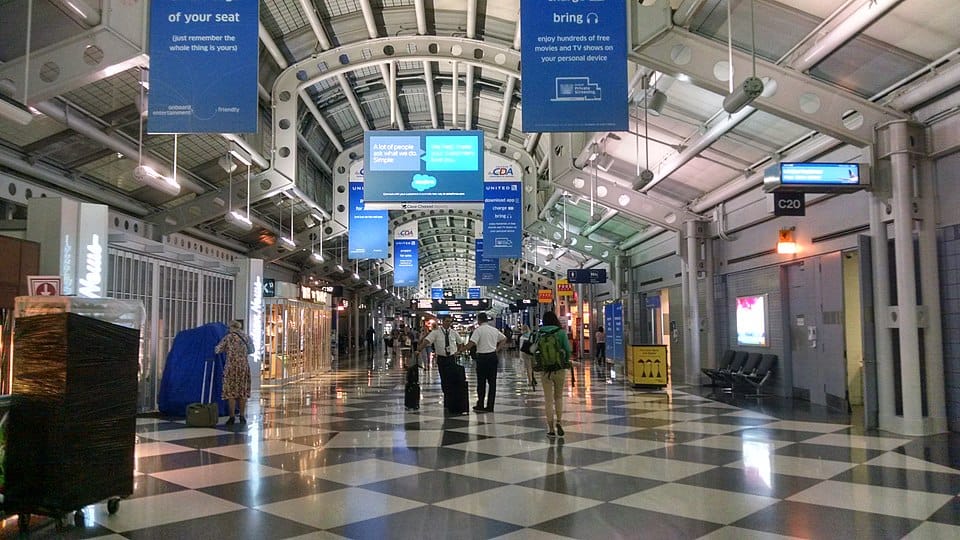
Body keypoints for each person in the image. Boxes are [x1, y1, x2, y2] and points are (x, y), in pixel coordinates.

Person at [538, 311, 572, 438]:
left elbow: (533, 350)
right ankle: (559, 422)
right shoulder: (561, 332)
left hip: (545, 370)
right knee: (558, 397)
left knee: (548, 399)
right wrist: (565, 360)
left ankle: (551, 428)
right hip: (559, 368)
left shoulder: (539, 333)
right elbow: (568, 350)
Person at [464, 312, 506, 413]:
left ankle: (480, 404)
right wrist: (497, 349)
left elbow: (472, 343)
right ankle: (490, 406)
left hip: (482, 358)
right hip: (492, 357)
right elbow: (504, 338)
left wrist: (462, 349)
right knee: (492, 383)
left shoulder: (478, 330)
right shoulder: (494, 330)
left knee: (481, 382)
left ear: (479, 320)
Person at [416, 316, 462, 407]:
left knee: (451, 378)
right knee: (444, 378)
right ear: (443, 322)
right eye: (447, 321)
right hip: (442, 358)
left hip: (451, 358)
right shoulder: (436, 333)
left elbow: (460, 343)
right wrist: (419, 349)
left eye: (450, 321)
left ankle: (451, 397)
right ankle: (446, 396)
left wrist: (459, 352)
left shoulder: (453, 333)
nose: (448, 323)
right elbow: (426, 341)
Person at [215, 320, 252, 426]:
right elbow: (252, 350)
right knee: (242, 392)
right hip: (244, 367)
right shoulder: (246, 337)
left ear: (230, 327)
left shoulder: (228, 337)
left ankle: (231, 417)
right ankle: (242, 416)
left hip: (231, 367)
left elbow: (218, 350)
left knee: (231, 392)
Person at [518, 324, 536, 389]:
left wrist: (520, 358)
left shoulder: (522, 337)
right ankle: (533, 378)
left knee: (528, 367)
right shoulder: (532, 335)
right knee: (532, 366)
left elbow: (521, 348)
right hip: (532, 352)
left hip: (525, 353)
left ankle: (530, 381)